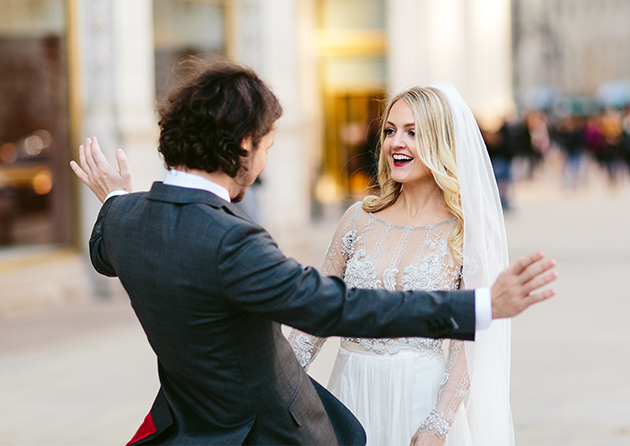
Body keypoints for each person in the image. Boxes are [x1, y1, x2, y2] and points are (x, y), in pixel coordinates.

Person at [70, 59, 557, 445]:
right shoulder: (236, 240)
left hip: (398, 398)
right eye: (266, 145)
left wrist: (118, 199)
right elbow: (333, 308)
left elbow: (107, 249)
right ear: (243, 145)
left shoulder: (124, 223)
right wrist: (484, 305)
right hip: (281, 423)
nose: (265, 160)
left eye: (411, 131)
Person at [289, 83, 524, 446]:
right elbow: (316, 313)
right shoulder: (357, 218)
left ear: (441, 142)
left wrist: (439, 422)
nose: (396, 143)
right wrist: (280, 384)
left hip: (420, 398)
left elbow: (470, 338)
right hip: (351, 392)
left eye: (413, 132)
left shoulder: (466, 231)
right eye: (390, 130)